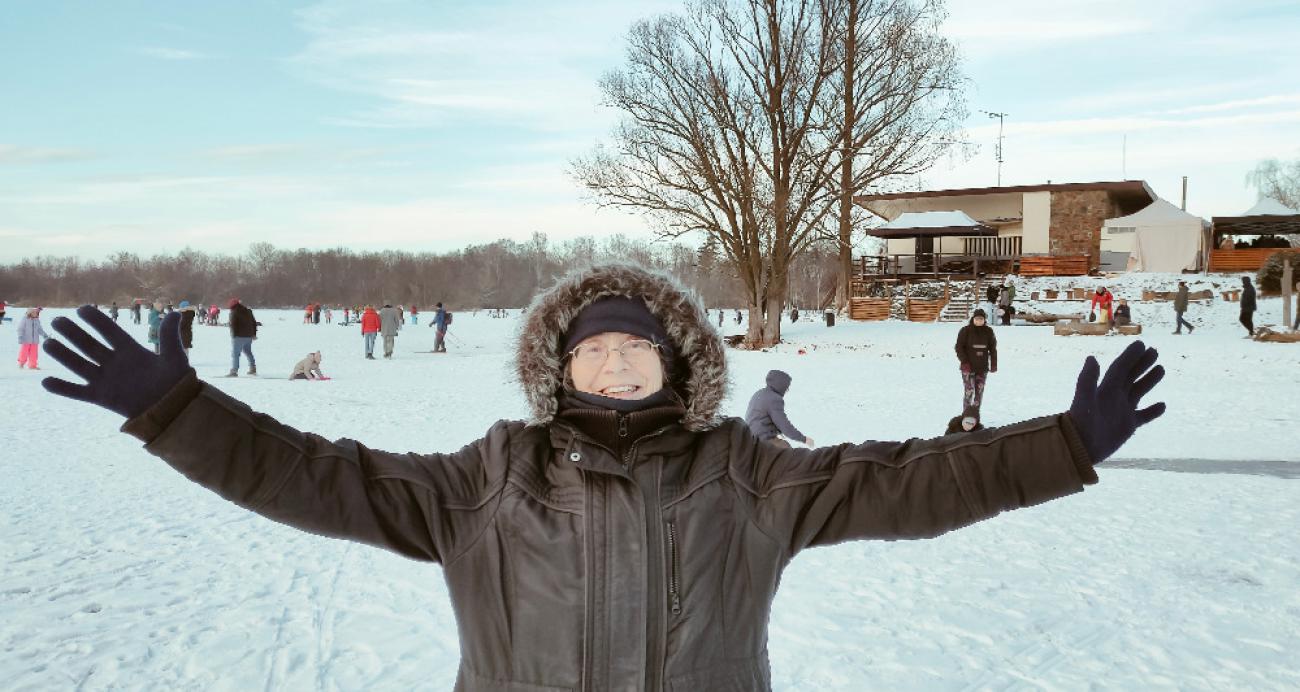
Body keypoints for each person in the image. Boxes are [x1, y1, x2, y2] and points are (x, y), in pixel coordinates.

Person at [39, 264, 1168, 692]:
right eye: (595, 350)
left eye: (638, 348)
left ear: (677, 366)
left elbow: (902, 481)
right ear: (558, 369)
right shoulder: (489, 477)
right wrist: (177, 411)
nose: (618, 363)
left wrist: (1059, 444)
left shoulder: (746, 473)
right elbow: (317, 477)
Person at [744, 369, 814, 449]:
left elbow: (761, 418)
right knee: (787, 451)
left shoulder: (759, 393)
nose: (787, 390)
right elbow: (785, 426)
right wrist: (804, 439)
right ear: (780, 385)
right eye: (786, 387)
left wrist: (777, 431)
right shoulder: (774, 399)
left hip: (750, 437)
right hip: (762, 440)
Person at [955, 308, 997, 413]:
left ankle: (975, 415)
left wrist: (993, 364)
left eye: (981, 319)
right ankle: (966, 414)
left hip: (982, 368)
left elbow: (993, 349)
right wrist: (964, 361)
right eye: (977, 319)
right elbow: (959, 347)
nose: (979, 321)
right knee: (969, 391)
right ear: (973, 319)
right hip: (968, 367)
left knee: (979, 392)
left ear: (984, 320)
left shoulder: (988, 331)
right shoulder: (965, 330)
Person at [227, 298, 258, 377]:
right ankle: (253, 368)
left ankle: (234, 371)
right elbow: (254, 323)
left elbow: (233, 325)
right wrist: (254, 334)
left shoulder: (234, 312)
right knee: (248, 352)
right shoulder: (248, 311)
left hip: (238, 336)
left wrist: (234, 335)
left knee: (235, 354)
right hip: (249, 336)